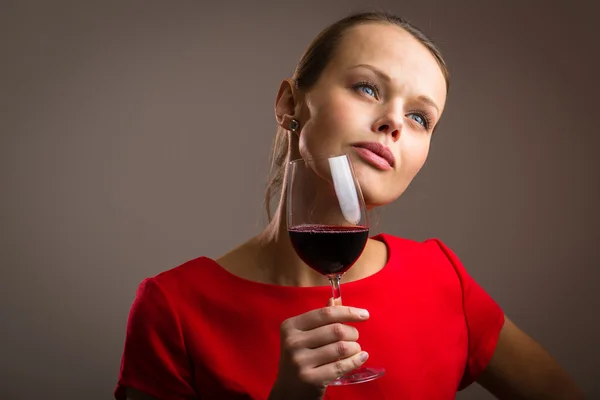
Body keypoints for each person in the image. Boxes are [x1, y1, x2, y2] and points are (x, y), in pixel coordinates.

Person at [114, 11, 585, 400]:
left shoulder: (442, 278)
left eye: (420, 117)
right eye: (367, 88)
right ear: (290, 104)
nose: (393, 123)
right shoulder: (173, 308)